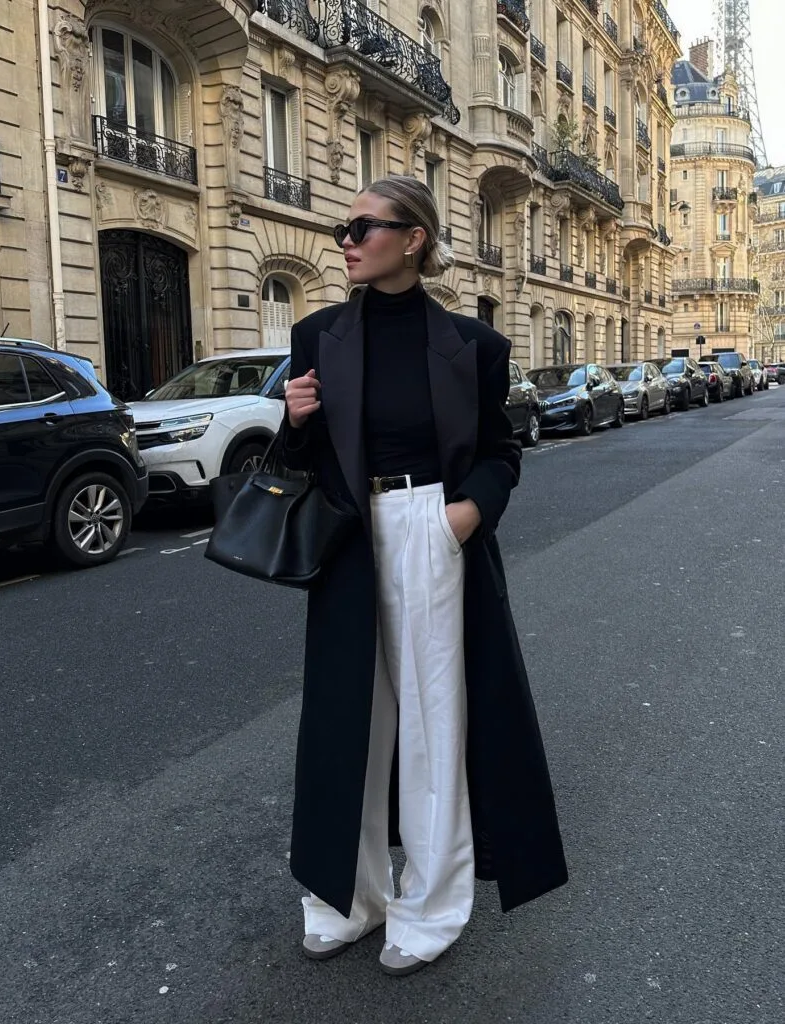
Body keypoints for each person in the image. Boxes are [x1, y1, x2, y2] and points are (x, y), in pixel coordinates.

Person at [282, 175, 567, 977]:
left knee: (435, 717)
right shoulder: (318, 336)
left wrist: (461, 517)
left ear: (413, 238)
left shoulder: (474, 347)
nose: (346, 238)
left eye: (362, 226)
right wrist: (294, 421)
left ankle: (430, 902)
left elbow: (501, 453)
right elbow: (296, 461)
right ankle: (345, 896)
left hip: (432, 527)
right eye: (343, 226)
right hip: (349, 534)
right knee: (348, 716)